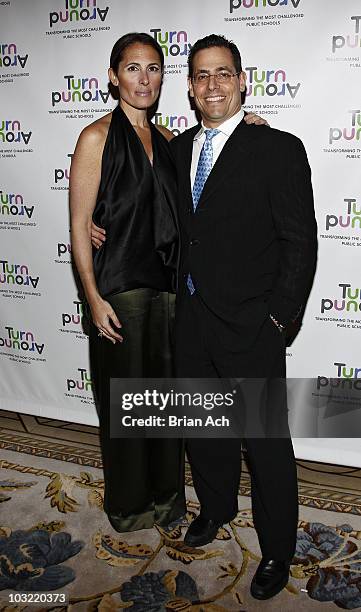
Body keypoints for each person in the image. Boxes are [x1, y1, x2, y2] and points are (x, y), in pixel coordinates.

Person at [72, 32, 267, 533]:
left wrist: (251, 126)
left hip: (171, 295)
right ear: (114, 76)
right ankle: (131, 506)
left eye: (153, 68)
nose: (144, 78)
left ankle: (166, 501)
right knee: (126, 406)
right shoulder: (95, 138)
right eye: (133, 68)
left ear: (165, 79)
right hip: (119, 294)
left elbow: (217, 158)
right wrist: (92, 298)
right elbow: (78, 226)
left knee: (165, 408)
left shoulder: (170, 142)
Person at [170, 34, 317, 600]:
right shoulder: (176, 149)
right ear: (189, 86)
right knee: (204, 431)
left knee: (265, 442)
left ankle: (277, 548)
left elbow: (299, 241)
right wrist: (93, 225)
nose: (212, 84)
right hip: (190, 320)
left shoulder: (277, 147)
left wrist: (279, 319)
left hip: (252, 323)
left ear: (242, 81)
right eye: (202, 75)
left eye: (223, 74)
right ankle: (216, 508)